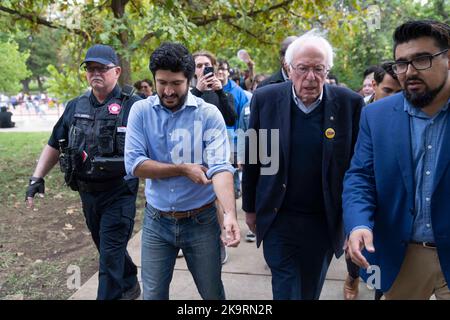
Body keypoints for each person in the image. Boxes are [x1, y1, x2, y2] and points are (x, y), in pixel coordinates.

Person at [242, 32, 364, 300]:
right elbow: (253, 157)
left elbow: (358, 169)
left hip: (322, 221)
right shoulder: (265, 99)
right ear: (288, 69)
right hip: (278, 218)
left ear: (327, 70)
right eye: (303, 68)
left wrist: (353, 221)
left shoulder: (348, 104)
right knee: (285, 290)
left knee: (309, 291)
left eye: (318, 69)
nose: (310, 77)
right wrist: (249, 208)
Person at [124, 42, 240, 300]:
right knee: (152, 295)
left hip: (201, 221)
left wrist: (230, 214)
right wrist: (182, 169)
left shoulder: (208, 114)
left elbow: (221, 168)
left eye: (176, 83)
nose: (167, 90)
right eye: (161, 82)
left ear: (189, 80)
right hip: (156, 221)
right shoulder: (140, 112)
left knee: (212, 293)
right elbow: (134, 164)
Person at [25, 44, 141, 300]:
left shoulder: (135, 106)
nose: (95, 72)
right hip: (87, 194)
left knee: (108, 259)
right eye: (90, 68)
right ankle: (130, 280)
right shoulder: (75, 106)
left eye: (102, 68)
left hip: (119, 193)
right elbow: (55, 143)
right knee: (107, 247)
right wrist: (37, 177)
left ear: (117, 71)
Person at [343, 20, 450, 300]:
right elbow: (360, 177)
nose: (409, 71)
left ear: (448, 58)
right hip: (401, 256)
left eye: (422, 59)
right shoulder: (376, 116)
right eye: (401, 63)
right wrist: (359, 224)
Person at [342, 61, 401, 300]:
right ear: (374, 86)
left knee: (379, 250)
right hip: (355, 189)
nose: (393, 98)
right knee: (352, 247)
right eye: (388, 91)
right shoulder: (357, 110)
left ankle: (379, 290)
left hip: (387, 195)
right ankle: (352, 277)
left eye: (399, 92)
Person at [191, 51, 236, 126]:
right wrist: (197, 91)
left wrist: (220, 92)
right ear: (193, 70)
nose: (204, 68)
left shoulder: (226, 95)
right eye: (199, 66)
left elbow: (231, 121)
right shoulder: (188, 95)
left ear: (213, 67)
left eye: (207, 65)